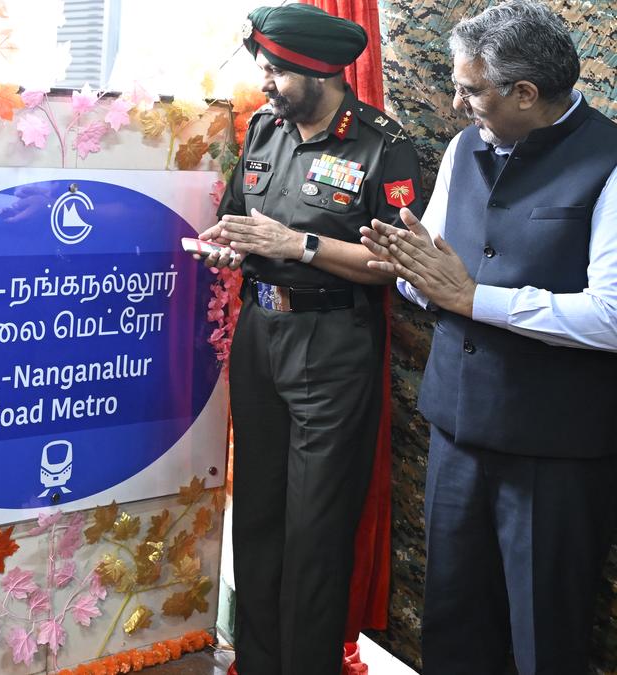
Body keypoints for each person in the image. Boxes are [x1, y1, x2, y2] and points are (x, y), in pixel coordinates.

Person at [360, 1, 617, 672]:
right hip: (455, 433)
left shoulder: (609, 161)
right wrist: (412, 269)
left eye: (471, 88)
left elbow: (609, 316)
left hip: (553, 453)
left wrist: (473, 296)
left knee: (543, 640)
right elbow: (434, 278)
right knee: (453, 625)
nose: (455, 101)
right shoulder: (462, 148)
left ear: (525, 93)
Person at [198, 5, 424, 674]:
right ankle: (259, 663)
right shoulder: (265, 128)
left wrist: (298, 244)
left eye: (275, 71)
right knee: (260, 513)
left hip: (333, 344)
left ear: (320, 73)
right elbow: (240, 216)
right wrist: (229, 244)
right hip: (261, 333)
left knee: (317, 525)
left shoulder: (383, 145)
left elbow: (395, 264)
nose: (264, 83)